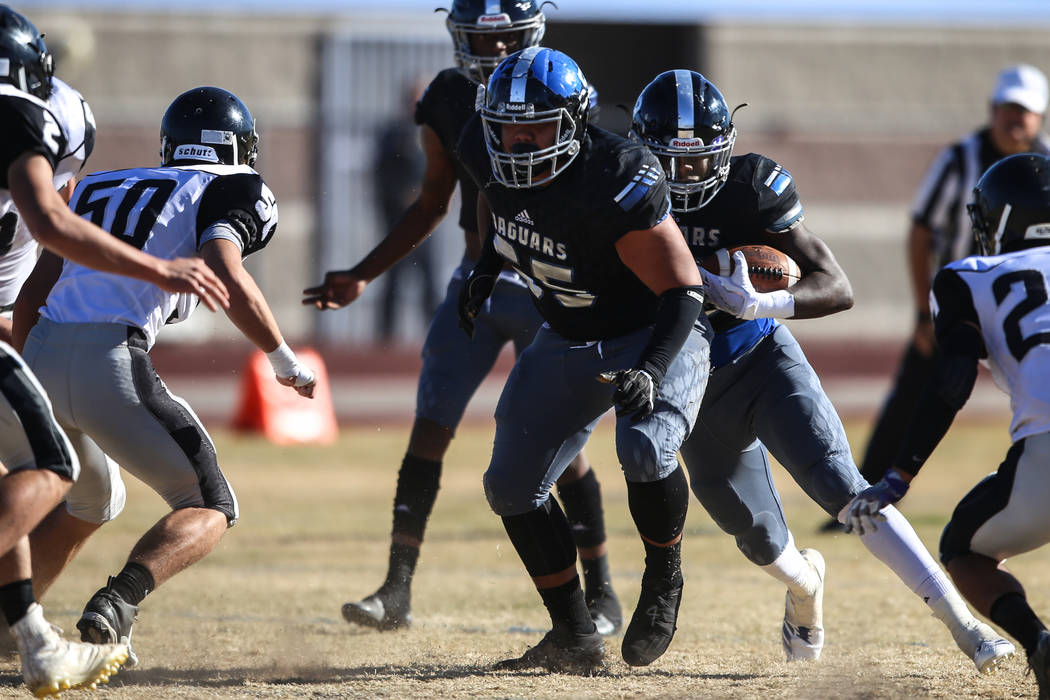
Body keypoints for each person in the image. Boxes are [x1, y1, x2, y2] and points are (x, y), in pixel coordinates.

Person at [631, 68, 1017, 671]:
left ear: (724, 146)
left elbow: (836, 285)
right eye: (670, 162)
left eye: (698, 159)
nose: (683, 178)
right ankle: (806, 587)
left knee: (849, 493)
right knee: (756, 538)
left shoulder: (753, 185)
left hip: (760, 356)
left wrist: (762, 302)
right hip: (691, 383)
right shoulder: (624, 192)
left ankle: (966, 627)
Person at [303, 0, 621, 636]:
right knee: (430, 427)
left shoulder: (558, 85)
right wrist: (365, 271)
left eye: (499, 39)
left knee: (561, 449)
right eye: (476, 38)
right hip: (476, 284)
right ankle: (396, 588)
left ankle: (603, 592)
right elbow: (430, 202)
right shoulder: (449, 96)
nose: (491, 53)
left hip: (549, 289)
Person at [13, 86, 317, 670]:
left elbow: (33, 295)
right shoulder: (230, 184)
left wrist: (27, 379)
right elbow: (222, 269)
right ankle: (117, 602)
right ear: (235, 146)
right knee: (210, 503)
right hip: (112, 360)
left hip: (43, 352)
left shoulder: (98, 184)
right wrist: (285, 361)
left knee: (93, 497)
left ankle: (9, 623)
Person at [452, 47, 710, 673]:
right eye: (506, 128)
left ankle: (663, 576)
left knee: (645, 449)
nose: (517, 142)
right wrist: (488, 265)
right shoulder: (487, 149)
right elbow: (497, 199)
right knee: (510, 486)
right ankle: (573, 634)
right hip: (566, 335)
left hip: (649, 332)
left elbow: (683, 290)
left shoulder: (616, 175)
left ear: (575, 120)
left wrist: (650, 367)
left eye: (535, 125)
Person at [0, 6, 229, 695]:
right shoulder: (27, 112)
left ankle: (28, 636)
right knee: (49, 467)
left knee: (87, 488)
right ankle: (44, 634)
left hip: (26, 327)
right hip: (68, 341)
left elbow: (45, 253)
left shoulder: (71, 137)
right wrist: (161, 271)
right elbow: (50, 223)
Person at [845, 152, 1050, 697]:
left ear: (1001, 222)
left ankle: (1039, 642)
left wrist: (899, 475)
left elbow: (953, 379)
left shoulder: (971, 277)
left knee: (965, 549)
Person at [837, 63, 1050, 530]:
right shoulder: (960, 160)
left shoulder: (1043, 162)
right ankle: (862, 490)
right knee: (916, 393)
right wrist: (921, 312)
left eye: (1026, 111)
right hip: (964, 302)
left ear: (1040, 117)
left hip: (1023, 306)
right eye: (1009, 109)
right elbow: (921, 230)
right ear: (993, 110)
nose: (1017, 119)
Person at [373, 78, 438, 343]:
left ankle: (436, 337)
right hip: (399, 222)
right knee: (394, 280)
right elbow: (381, 175)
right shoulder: (393, 133)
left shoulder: (434, 131)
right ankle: (385, 342)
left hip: (427, 219)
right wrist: (401, 195)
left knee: (429, 280)